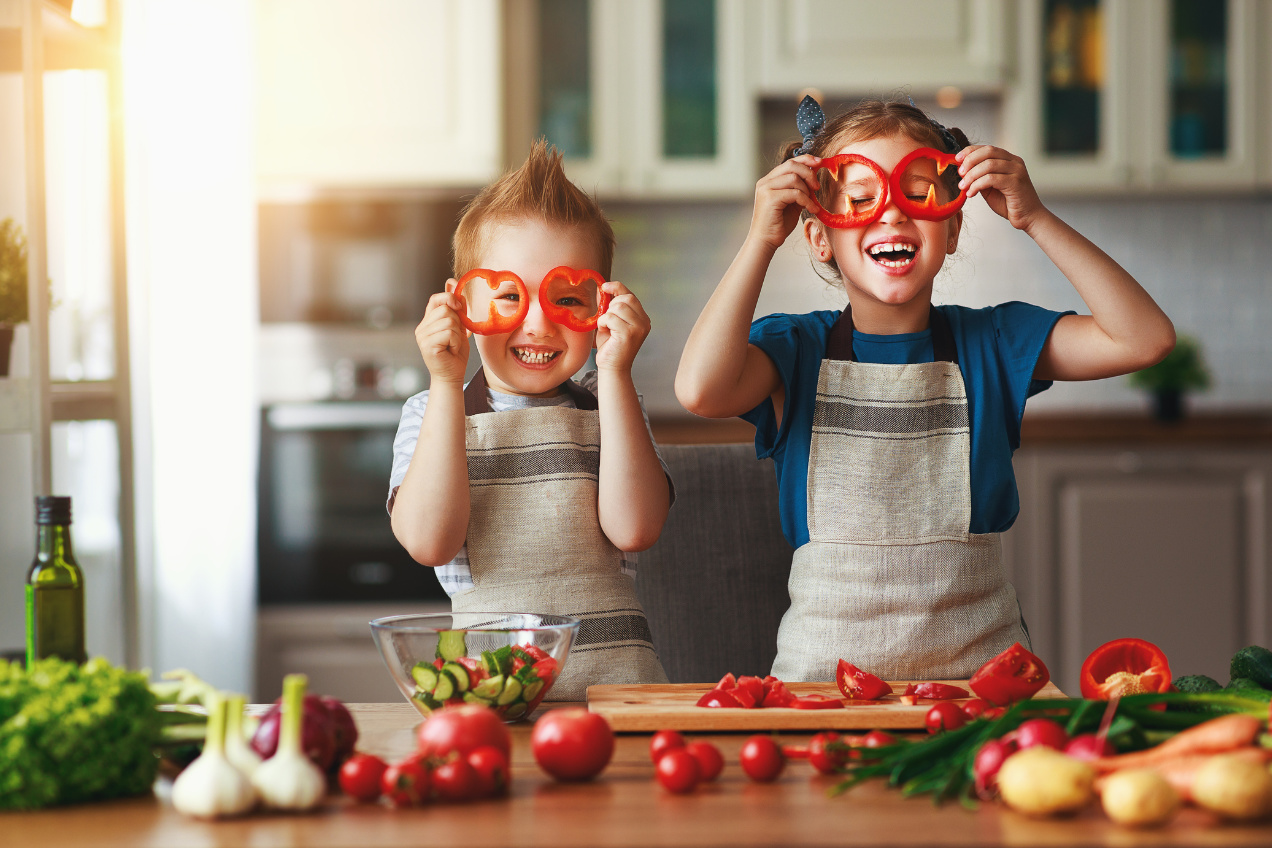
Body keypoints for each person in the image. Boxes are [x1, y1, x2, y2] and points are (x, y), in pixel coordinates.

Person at [675, 97, 1175, 683]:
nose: (890, 215)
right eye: (861, 199)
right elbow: (700, 391)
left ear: (954, 226)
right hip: (819, 696)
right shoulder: (794, 351)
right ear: (818, 237)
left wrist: (1034, 216)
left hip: (983, 693)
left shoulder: (992, 341)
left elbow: (1143, 339)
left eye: (918, 194)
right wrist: (760, 239)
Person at [388, 140, 672, 699]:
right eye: (508, 297)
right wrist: (447, 381)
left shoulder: (611, 406)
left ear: (604, 304)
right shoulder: (432, 413)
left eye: (568, 298)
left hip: (617, 697)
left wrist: (616, 374)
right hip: (493, 696)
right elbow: (429, 543)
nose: (539, 325)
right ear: (460, 305)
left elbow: (635, 530)